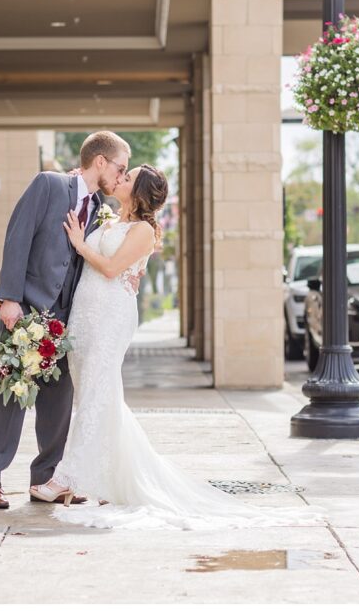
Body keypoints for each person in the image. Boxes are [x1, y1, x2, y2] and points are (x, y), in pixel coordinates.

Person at [29, 164, 326, 530]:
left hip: (110, 316)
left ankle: (67, 477)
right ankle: (107, 478)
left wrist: (78, 243)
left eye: (127, 176)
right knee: (97, 394)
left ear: (137, 191)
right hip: (85, 316)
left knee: (95, 393)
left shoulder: (144, 230)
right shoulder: (109, 220)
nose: (119, 177)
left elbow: (109, 269)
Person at [0, 131, 134, 509]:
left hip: (67, 318)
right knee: (10, 396)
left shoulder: (99, 209)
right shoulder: (48, 184)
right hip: (26, 309)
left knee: (58, 402)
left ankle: (45, 478)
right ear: (100, 161)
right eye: (120, 168)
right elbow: (17, 238)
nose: (120, 176)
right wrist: (10, 297)